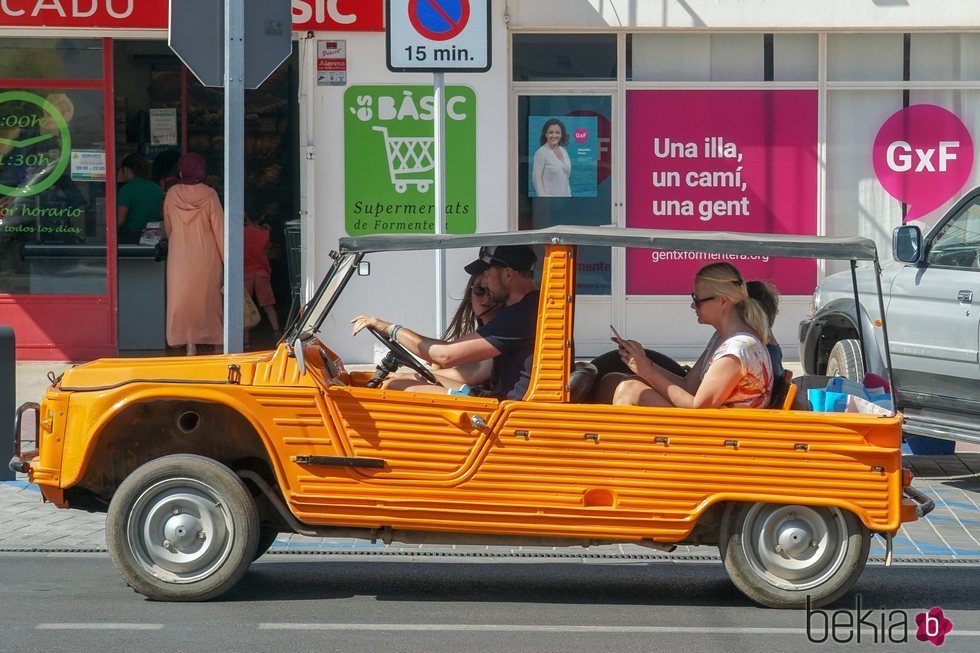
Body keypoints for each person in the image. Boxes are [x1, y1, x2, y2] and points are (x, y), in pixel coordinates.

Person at [351, 245, 540, 400]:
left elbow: (445, 355)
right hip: (500, 400)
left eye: (488, 274)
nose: (487, 283)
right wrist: (415, 373)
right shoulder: (522, 309)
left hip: (506, 410)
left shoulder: (522, 313)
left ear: (507, 274)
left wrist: (391, 329)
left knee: (395, 386)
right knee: (401, 380)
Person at [596, 262, 774, 409]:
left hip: (717, 436)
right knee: (613, 381)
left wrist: (647, 372)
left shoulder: (737, 350)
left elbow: (698, 408)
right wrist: (643, 362)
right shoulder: (722, 339)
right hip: (709, 426)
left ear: (722, 301)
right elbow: (688, 385)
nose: (692, 306)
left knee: (629, 390)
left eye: (697, 299)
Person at [383, 272, 505, 391]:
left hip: (492, 402)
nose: (486, 298)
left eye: (492, 292)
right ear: (469, 295)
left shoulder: (503, 329)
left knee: (394, 385)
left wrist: (391, 329)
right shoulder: (484, 330)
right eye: (479, 290)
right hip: (484, 394)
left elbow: (476, 372)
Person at [163, 153, 224, 356]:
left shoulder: (172, 194)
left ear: (181, 171)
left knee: (182, 298)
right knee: (209, 299)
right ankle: (216, 340)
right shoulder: (210, 195)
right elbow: (220, 230)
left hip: (179, 254)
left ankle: (189, 343)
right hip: (207, 255)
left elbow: (168, 225)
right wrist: (228, 261)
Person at [244, 211, 281, 342]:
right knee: (268, 305)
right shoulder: (264, 234)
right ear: (261, 217)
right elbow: (268, 251)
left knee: (246, 307)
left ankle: (245, 341)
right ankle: (277, 333)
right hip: (261, 273)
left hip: (246, 273)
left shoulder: (241, 233)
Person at [116, 154, 163, 244]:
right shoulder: (156, 188)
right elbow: (161, 214)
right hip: (152, 237)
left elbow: (120, 221)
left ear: (126, 169)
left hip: (130, 237)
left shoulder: (126, 189)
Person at [531, 118, 571, 197]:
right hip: (550, 201)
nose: (554, 135)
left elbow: (566, 179)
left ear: (561, 135)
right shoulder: (541, 153)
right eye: (551, 132)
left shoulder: (564, 151)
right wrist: (544, 200)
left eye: (557, 132)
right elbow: (536, 180)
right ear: (545, 134)